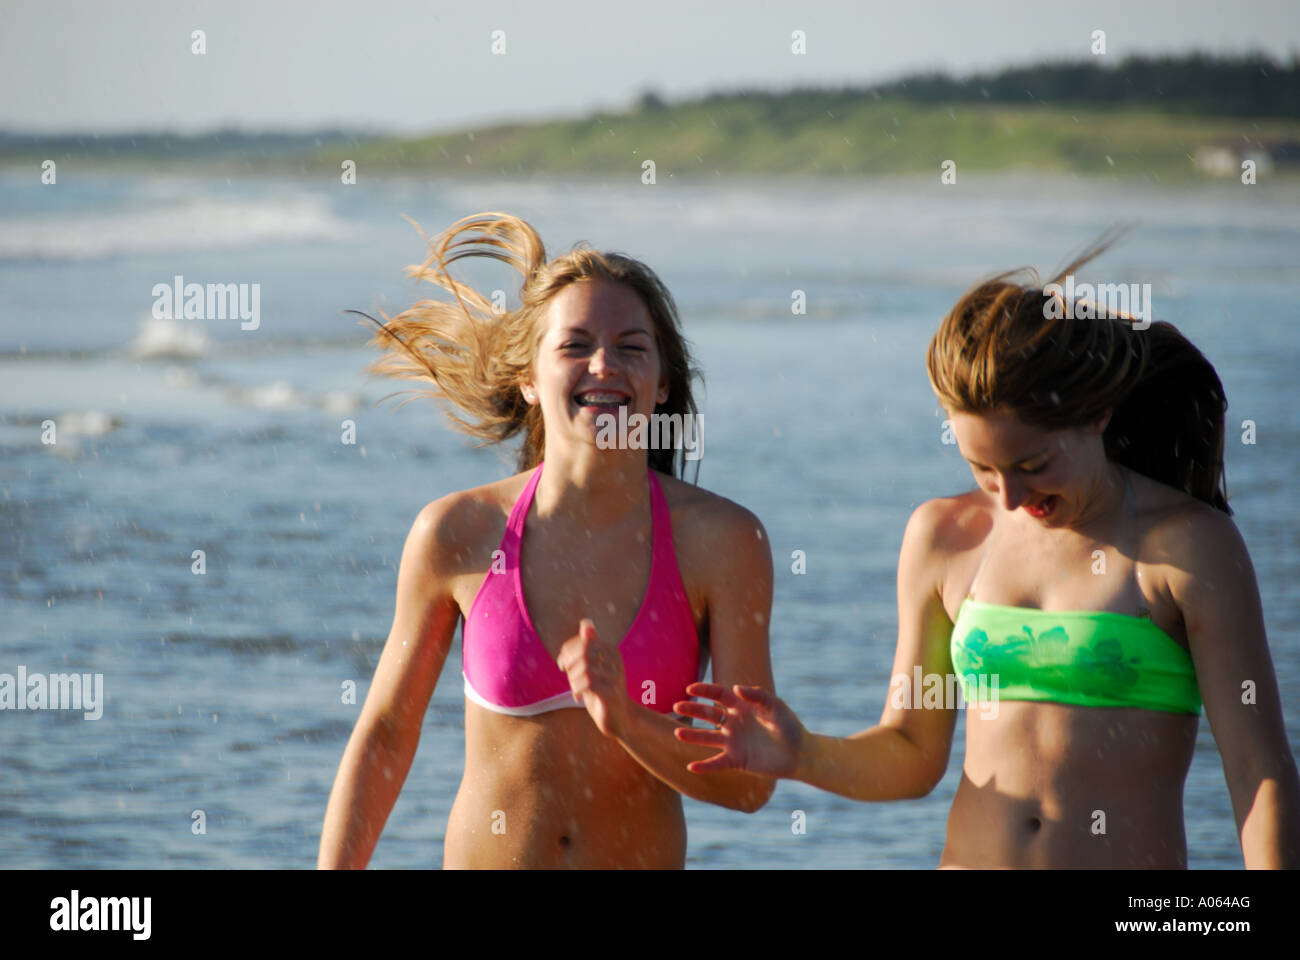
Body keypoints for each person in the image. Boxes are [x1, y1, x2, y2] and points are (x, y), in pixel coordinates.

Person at [674, 236, 1300, 868]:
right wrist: (802, 754)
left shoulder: (1188, 548)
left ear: (1097, 415)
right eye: (983, 469)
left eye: (1033, 465)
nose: (1010, 497)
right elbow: (912, 751)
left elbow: (1259, 770)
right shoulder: (944, 538)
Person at [319, 212, 775, 869]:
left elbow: (752, 782)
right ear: (529, 378)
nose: (604, 366)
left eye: (631, 347)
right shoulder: (457, 534)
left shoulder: (724, 543)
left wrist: (628, 720)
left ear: (663, 382)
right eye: (575, 345)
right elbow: (387, 735)